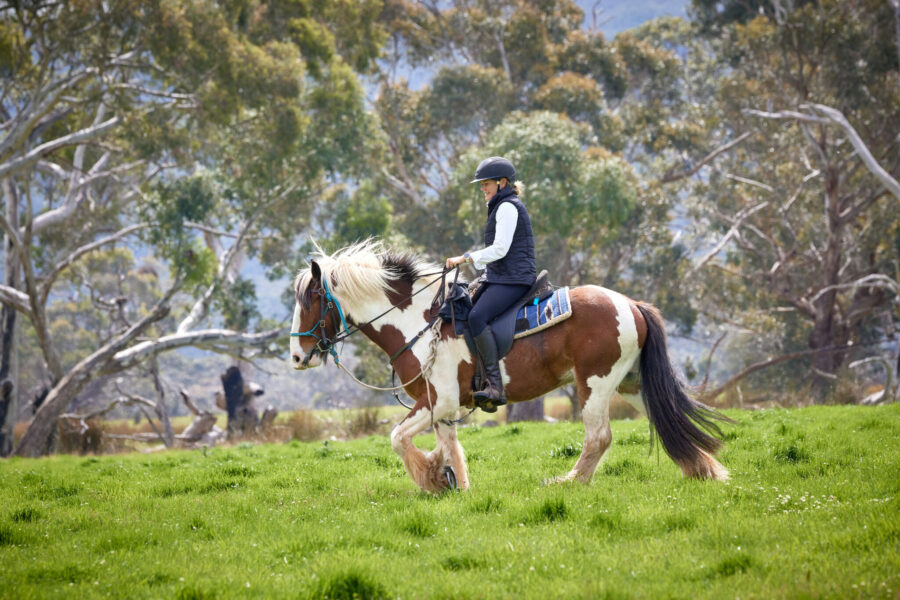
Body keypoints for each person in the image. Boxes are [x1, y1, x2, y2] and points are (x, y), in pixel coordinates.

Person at [446, 156, 536, 410]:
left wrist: (465, 258)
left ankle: (495, 386)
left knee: (476, 318)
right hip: (504, 276)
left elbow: (500, 249)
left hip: (514, 280)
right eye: (482, 184)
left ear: (502, 182)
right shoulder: (500, 205)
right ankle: (480, 379)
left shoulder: (507, 207)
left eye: (486, 183)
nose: (483, 188)